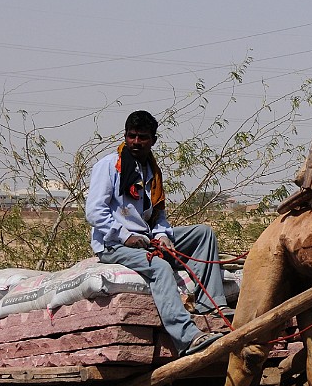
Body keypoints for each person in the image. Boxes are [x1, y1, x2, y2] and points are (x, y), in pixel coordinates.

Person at [85, 110, 229, 357]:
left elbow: (158, 216)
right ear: (125, 136)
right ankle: (187, 337)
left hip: (147, 239)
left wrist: (163, 237)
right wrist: (124, 235)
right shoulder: (109, 166)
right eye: (132, 136)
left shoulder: (151, 171)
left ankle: (213, 307)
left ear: (153, 139)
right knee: (161, 268)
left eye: (142, 137)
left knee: (203, 234)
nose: (136, 142)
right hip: (114, 245)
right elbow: (94, 211)